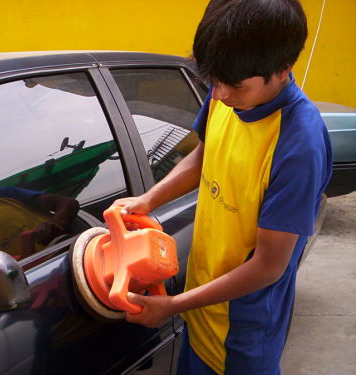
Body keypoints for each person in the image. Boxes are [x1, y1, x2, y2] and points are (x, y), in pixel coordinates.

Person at [114, 1, 332, 374]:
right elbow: (203, 155)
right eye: (212, 82)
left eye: (233, 86)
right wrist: (149, 199)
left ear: (283, 69)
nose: (219, 96)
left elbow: (268, 266)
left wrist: (173, 305)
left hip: (242, 335)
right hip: (200, 310)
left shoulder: (299, 145)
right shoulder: (226, 95)